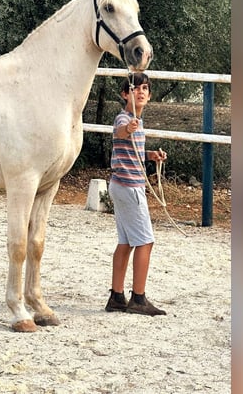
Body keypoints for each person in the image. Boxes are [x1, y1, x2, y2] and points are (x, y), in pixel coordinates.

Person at [105, 72, 167, 316]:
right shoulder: (125, 119)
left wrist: (150, 155)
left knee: (126, 241)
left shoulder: (137, 123)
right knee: (145, 241)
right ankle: (138, 298)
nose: (140, 92)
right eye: (134, 88)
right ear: (125, 94)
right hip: (130, 188)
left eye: (144, 89)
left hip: (120, 185)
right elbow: (121, 132)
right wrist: (128, 129)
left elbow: (129, 148)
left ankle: (116, 296)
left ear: (149, 96)